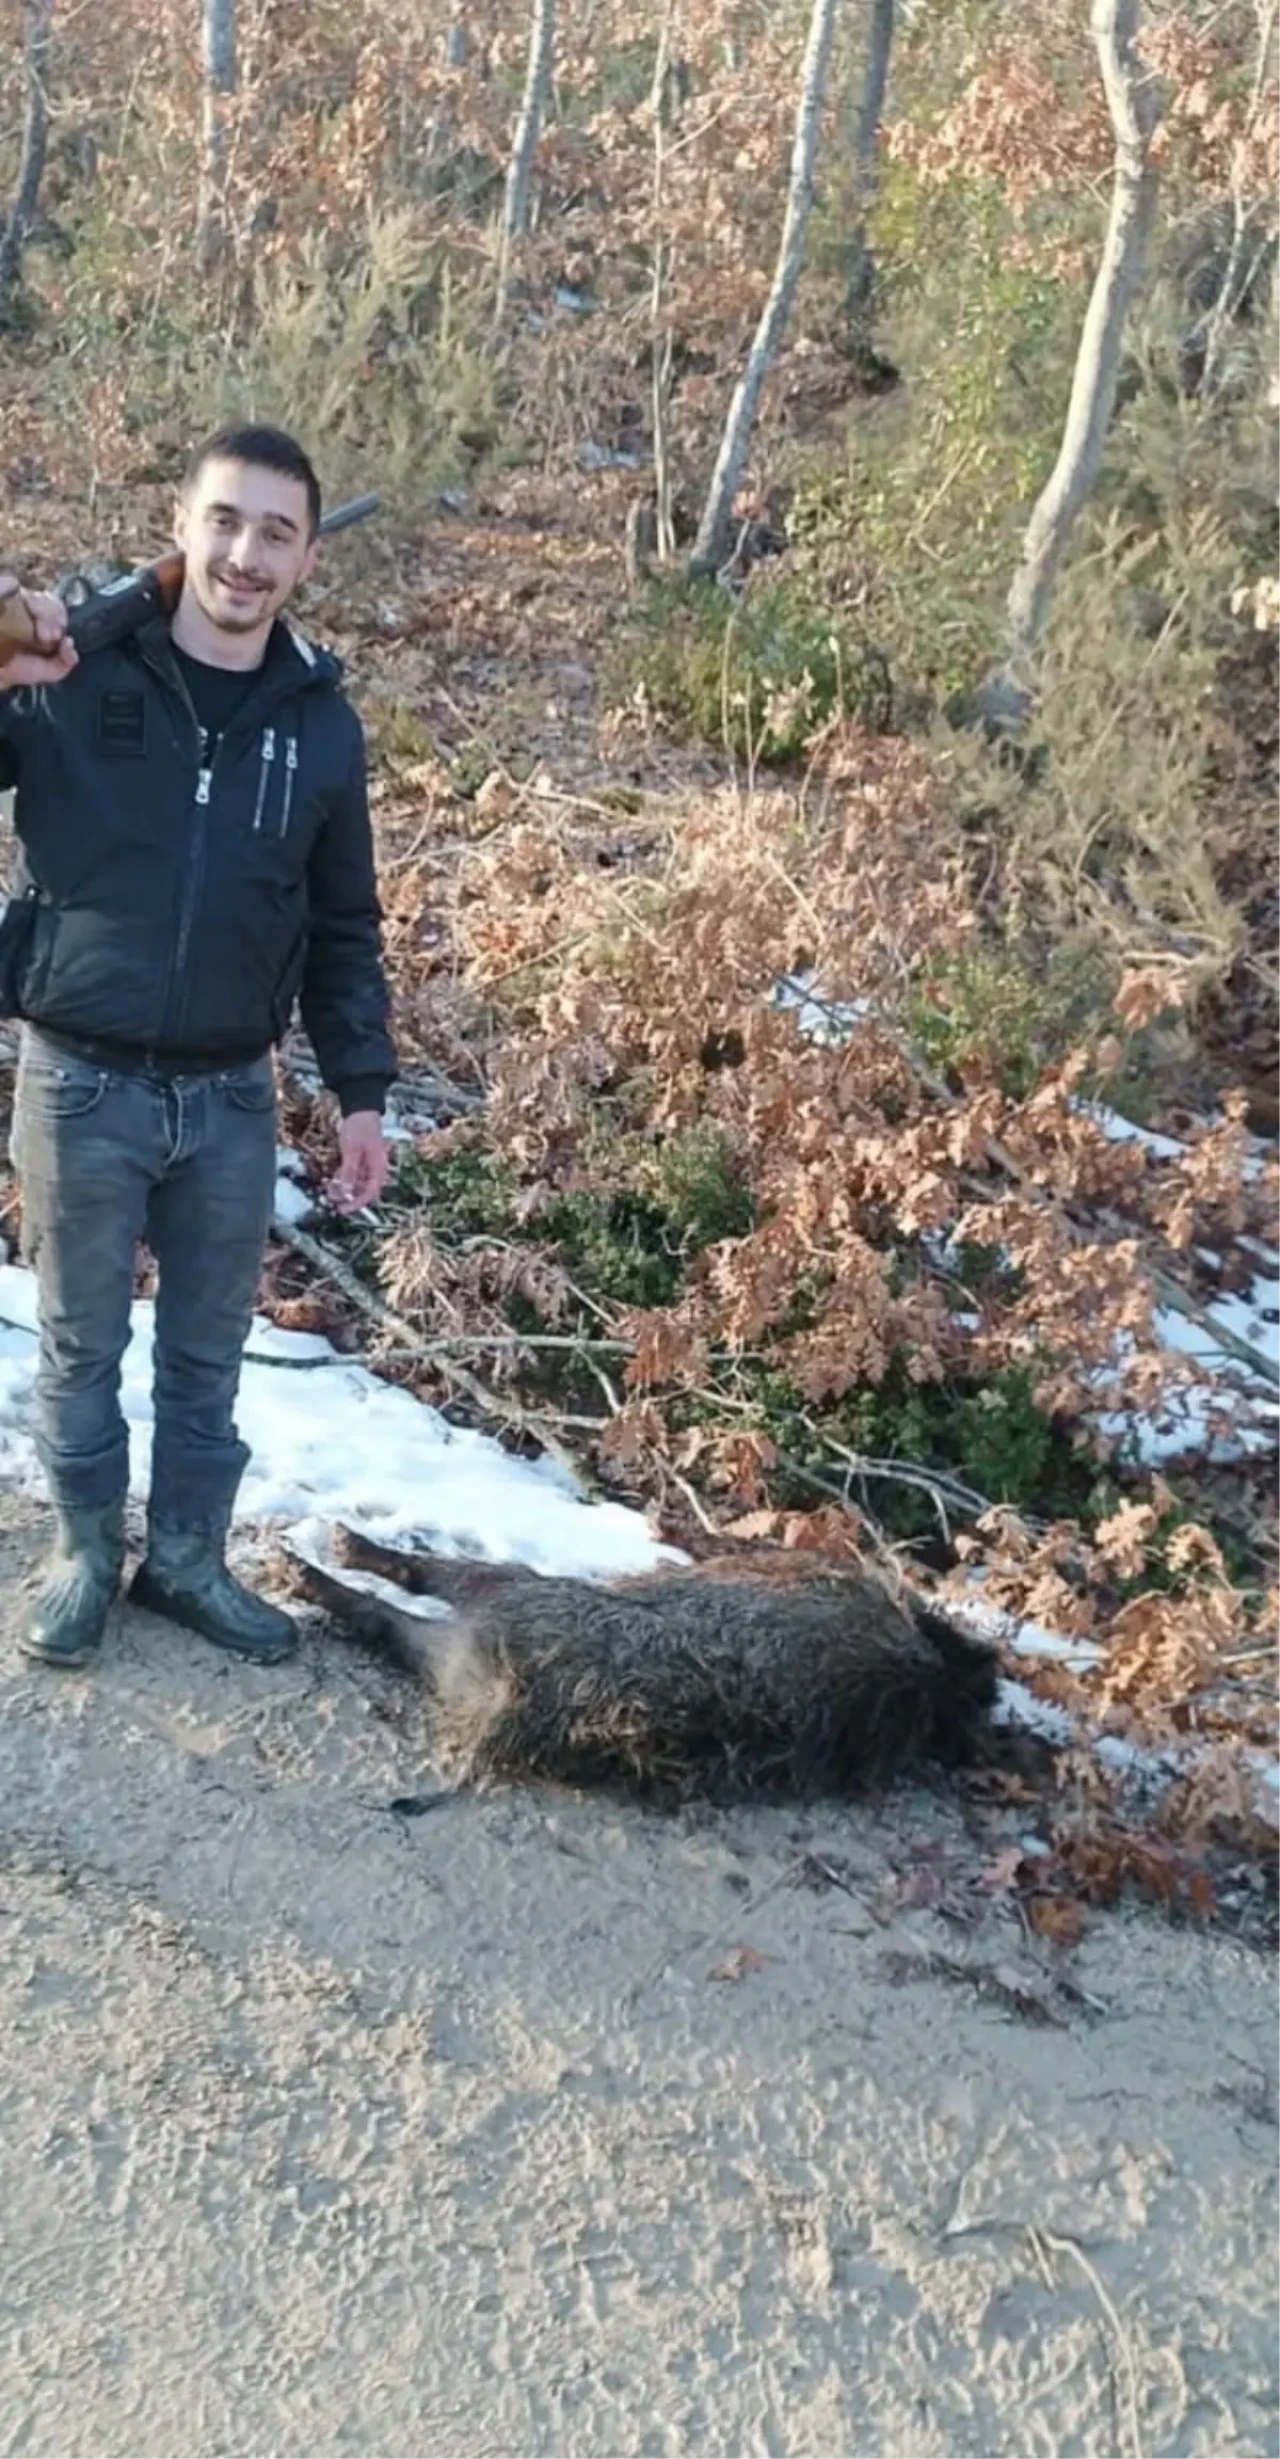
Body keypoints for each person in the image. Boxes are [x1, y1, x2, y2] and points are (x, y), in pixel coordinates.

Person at [0, 422, 397, 1670]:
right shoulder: (74, 673)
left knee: (208, 1352)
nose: (244, 552)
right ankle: (79, 1552)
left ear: (307, 561)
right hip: (77, 1081)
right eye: (225, 519)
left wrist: (363, 1094)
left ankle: (183, 1559)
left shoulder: (320, 726)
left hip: (231, 1095)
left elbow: (343, 924)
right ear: (183, 524)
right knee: (79, 1340)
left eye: (277, 531)